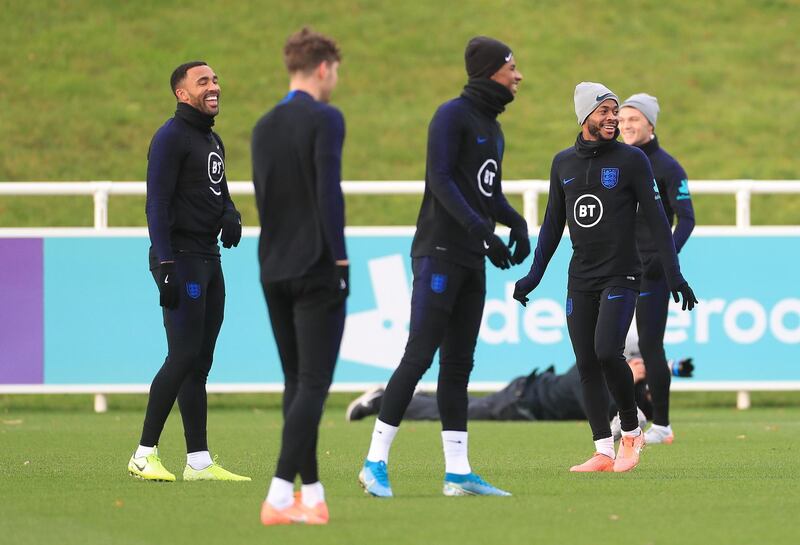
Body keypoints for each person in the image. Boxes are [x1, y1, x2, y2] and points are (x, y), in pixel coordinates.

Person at [358, 36, 529, 499]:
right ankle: (374, 462)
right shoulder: (451, 115)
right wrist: (482, 231)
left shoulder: (493, 128)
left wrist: (514, 222)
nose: (518, 76)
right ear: (491, 70)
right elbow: (440, 179)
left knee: (458, 367)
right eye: (512, 67)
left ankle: (458, 473)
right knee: (419, 356)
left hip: (472, 258)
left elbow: (486, 192)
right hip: (439, 252)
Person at [513, 82, 697, 473]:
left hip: (622, 274)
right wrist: (532, 276)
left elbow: (661, 222)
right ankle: (602, 449)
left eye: (616, 112)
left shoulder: (632, 161)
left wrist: (675, 275)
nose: (613, 119)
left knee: (605, 351)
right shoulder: (562, 163)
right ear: (585, 117)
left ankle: (630, 433)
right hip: (580, 277)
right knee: (585, 363)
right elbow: (551, 226)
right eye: (606, 112)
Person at [128, 61, 248, 483]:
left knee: (198, 363)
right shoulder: (169, 138)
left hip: (209, 259)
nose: (214, 86)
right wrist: (165, 264)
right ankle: (144, 453)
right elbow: (156, 204)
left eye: (215, 79)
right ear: (182, 94)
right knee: (181, 356)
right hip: (179, 257)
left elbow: (221, 190)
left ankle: (198, 462)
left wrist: (231, 213)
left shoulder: (211, 139)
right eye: (203, 82)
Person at [251, 28, 347, 526]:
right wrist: (340, 260)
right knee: (313, 384)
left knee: (296, 382)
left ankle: (311, 493)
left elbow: (266, 197)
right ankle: (277, 495)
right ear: (324, 68)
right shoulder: (326, 119)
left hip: (272, 265)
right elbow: (328, 191)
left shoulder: (263, 125)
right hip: (316, 265)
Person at [619, 94, 695, 445]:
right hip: (618, 266)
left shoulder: (668, 167)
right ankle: (629, 416)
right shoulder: (616, 161)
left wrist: (664, 260)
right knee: (609, 345)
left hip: (651, 270)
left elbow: (687, 219)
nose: (626, 125)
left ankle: (662, 425)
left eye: (634, 119)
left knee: (649, 344)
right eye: (622, 119)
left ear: (650, 123)